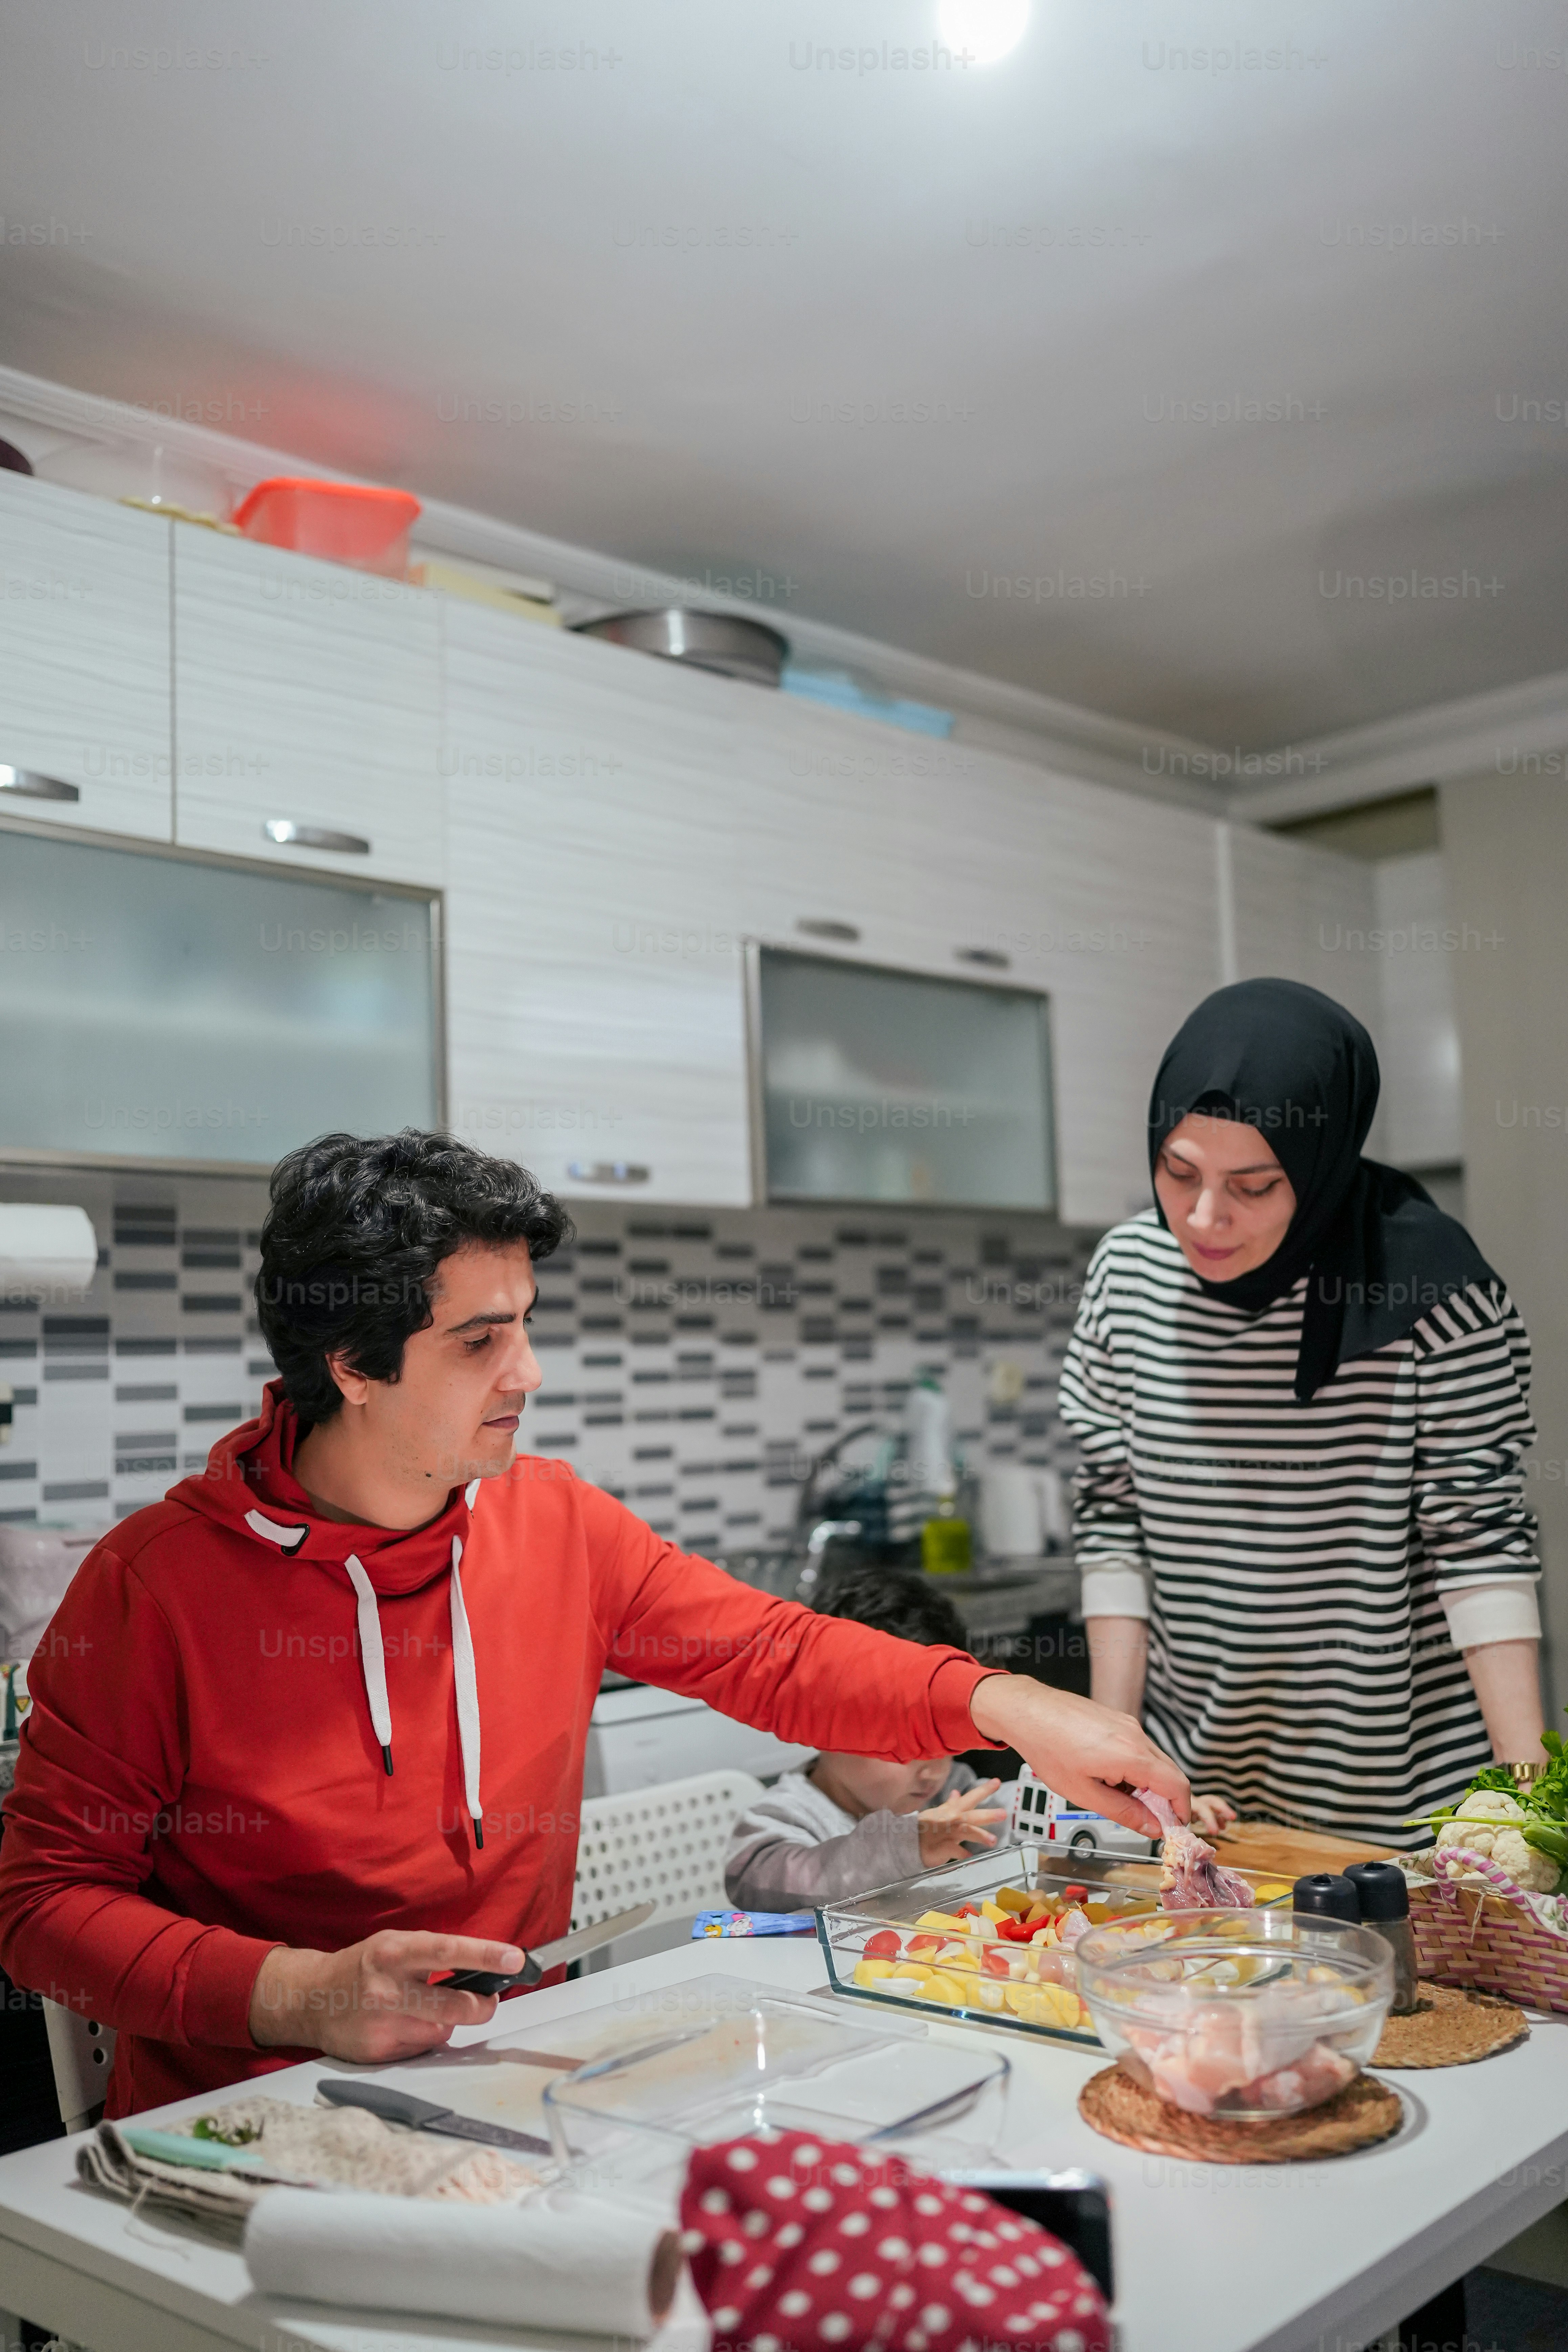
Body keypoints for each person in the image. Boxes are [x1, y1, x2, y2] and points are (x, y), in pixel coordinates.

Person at [0, 1131, 1187, 2115]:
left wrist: (1021, 1707)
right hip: (247, 2121)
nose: (528, 1372)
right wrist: (299, 1994)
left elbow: (774, 1653)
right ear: (351, 1365)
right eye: (479, 1340)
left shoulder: (551, 1523)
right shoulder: (152, 1588)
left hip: (512, 2089)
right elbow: (40, 1907)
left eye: (524, 1321)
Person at [1059, 978, 1543, 1846]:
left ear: (1319, 1168)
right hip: (1187, 1790)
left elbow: (1482, 1543)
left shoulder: (1434, 1294)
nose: (1203, 1217)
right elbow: (1110, 1516)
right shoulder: (1126, 1275)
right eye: (1177, 1171)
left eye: (1252, 1184)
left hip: (1396, 1801)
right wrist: (1113, 1752)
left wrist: (1527, 1806)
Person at [724, 1565, 1012, 1910]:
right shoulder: (784, 1817)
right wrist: (907, 1845)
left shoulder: (950, 1791)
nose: (935, 1766)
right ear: (820, 1721)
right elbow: (757, 1884)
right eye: (906, 1740)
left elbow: (1007, 1818)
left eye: (942, 1735)